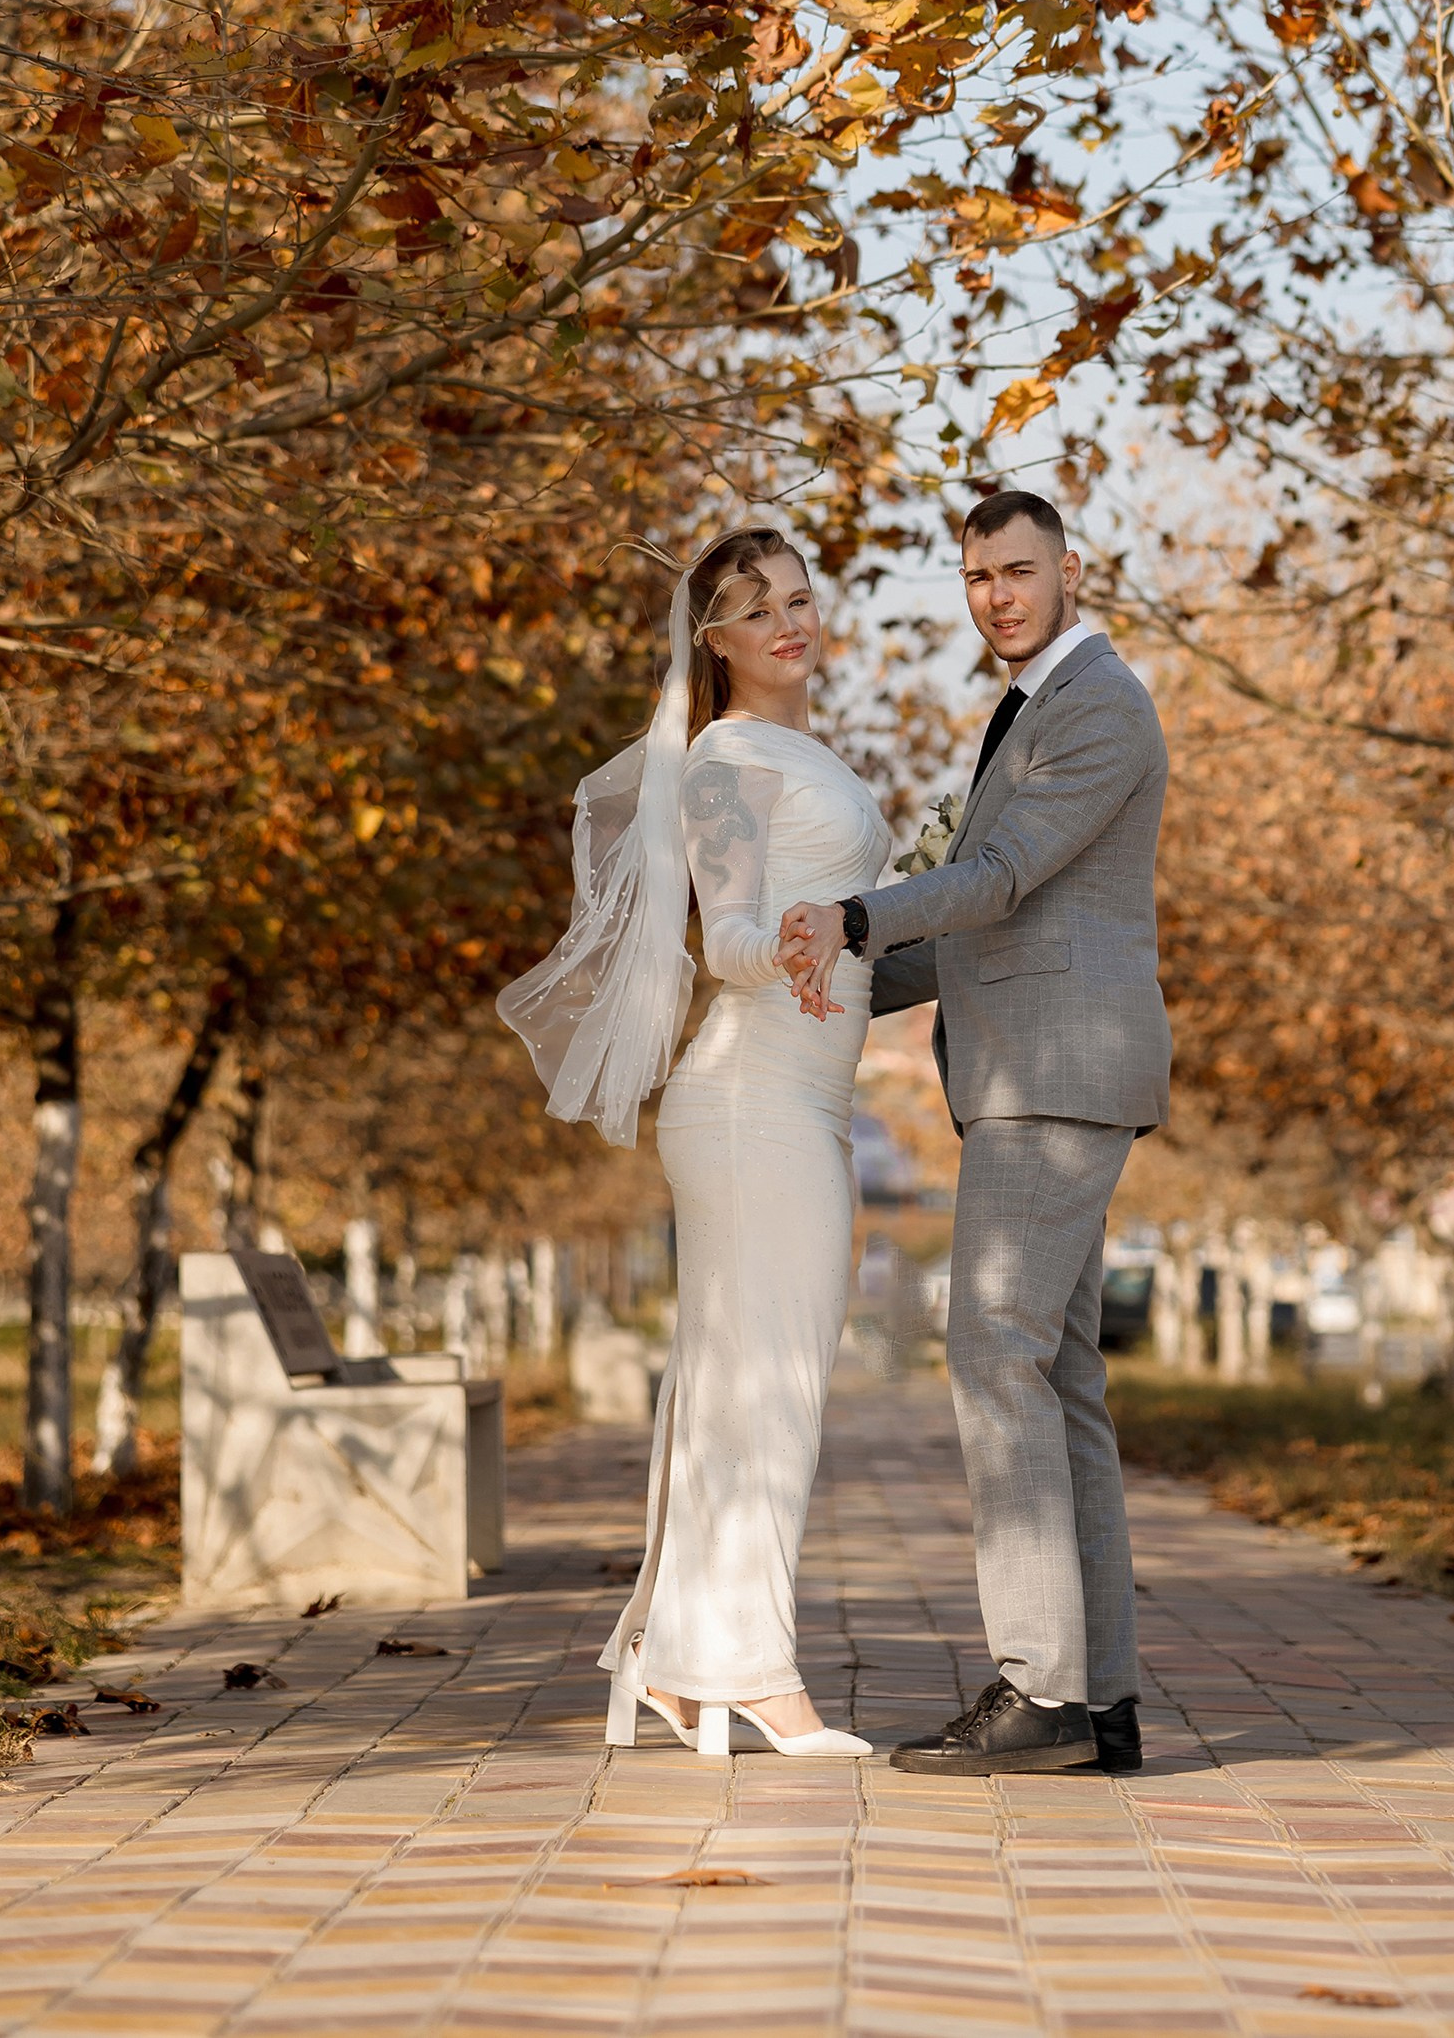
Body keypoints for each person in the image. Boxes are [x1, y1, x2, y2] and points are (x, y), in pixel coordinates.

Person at [779, 487, 1170, 1777]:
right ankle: (1097, 1699)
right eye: (976, 576)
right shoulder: (1036, 705)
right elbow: (977, 926)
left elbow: (994, 883)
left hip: (1057, 1073)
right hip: (1042, 1067)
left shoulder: (1099, 704)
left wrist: (852, 918)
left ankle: (1042, 1688)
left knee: (991, 1349)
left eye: (1017, 569)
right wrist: (833, 978)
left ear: (1071, 569)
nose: (997, 594)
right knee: (1058, 1377)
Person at [498, 524, 884, 1760]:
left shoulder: (800, 749)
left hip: (798, 1099)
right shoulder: (724, 760)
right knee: (770, 1390)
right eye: (755, 607)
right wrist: (798, 941)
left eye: (799, 596)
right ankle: (748, 1671)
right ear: (711, 640)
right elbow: (728, 937)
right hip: (753, 1099)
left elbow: (840, 926)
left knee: (736, 1385)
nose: (788, 621)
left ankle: (676, 1657)